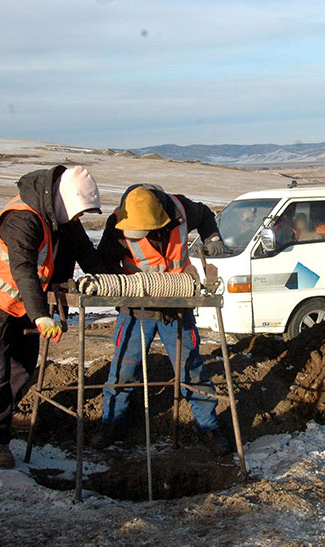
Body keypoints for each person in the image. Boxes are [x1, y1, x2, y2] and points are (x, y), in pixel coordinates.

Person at [0, 165, 106, 469]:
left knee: (24, 366)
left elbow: (86, 253)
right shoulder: (22, 218)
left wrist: (121, 284)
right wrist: (42, 316)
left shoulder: (60, 215)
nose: (78, 221)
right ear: (63, 201)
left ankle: (0, 415)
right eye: (78, 214)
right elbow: (24, 271)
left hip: (24, 308)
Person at [92, 183, 231, 456]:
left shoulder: (180, 209)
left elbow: (204, 216)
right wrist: (115, 288)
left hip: (176, 307)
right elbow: (104, 263)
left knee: (190, 368)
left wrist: (212, 238)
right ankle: (112, 424)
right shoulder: (119, 221)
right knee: (123, 370)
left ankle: (209, 427)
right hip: (135, 310)